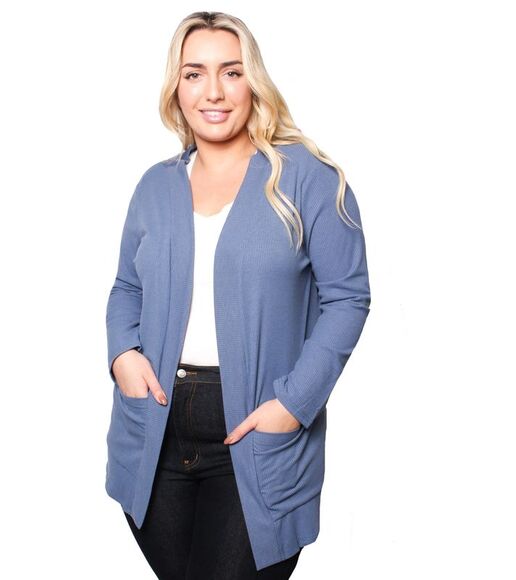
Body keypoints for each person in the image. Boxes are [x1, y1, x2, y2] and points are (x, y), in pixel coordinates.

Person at [105, 11, 371, 580]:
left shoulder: (306, 178)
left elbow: (348, 298)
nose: (214, 92)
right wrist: (123, 355)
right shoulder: (155, 185)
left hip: (253, 424)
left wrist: (293, 404)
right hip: (155, 427)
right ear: (176, 88)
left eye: (231, 71)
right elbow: (127, 286)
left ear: (254, 80)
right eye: (194, 73)